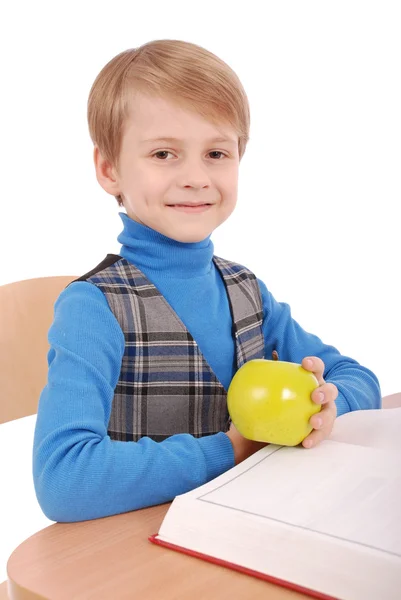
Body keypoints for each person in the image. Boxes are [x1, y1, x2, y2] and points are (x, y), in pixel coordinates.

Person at [32, 39, 381, 523]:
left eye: (216, 152)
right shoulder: (93, 307)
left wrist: (325, 408)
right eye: (163, 153)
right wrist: (232, 449)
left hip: (247, 531)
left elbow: (359, 378)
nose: (196, 177)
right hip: (134, 555)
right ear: (109, 169)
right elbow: (64, 480)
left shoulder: (248, 291)